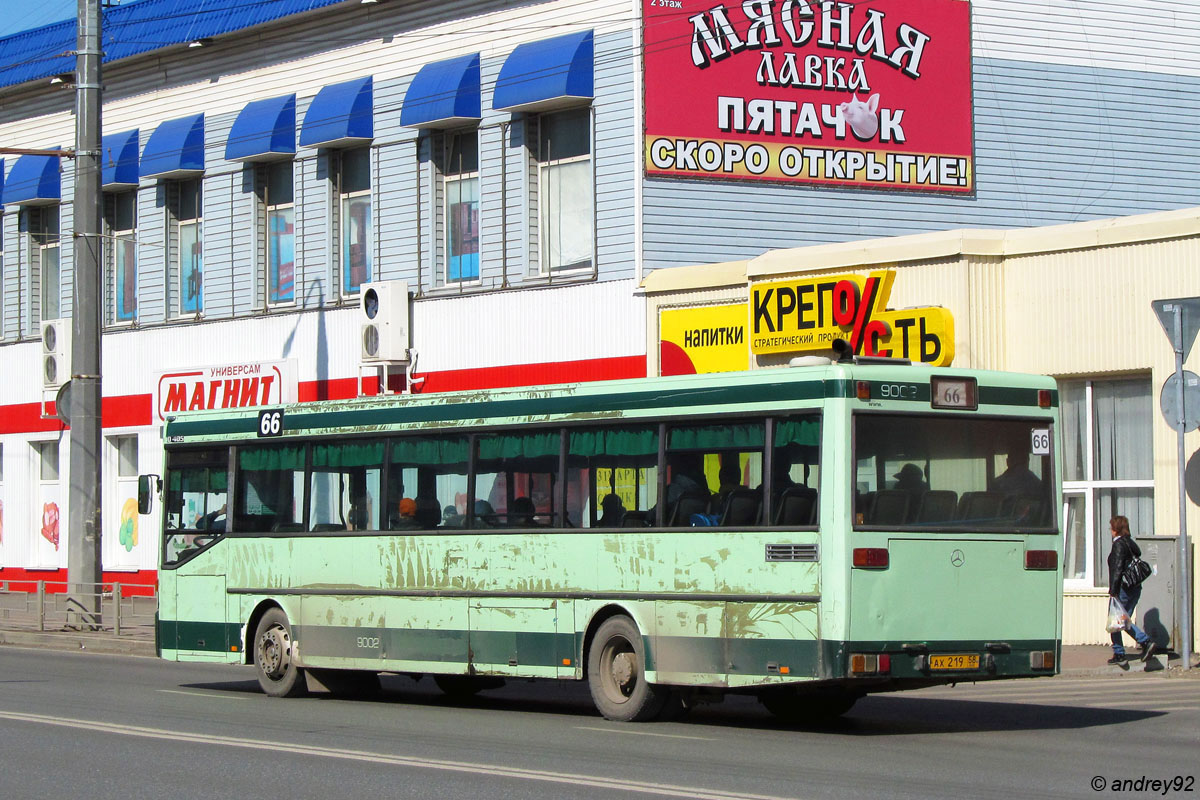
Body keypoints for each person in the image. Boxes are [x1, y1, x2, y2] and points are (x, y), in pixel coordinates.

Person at [1106, 515, 1158, 666]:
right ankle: (1121, 651)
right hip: (1135, 587)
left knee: (1118, 620)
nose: (1110, 531)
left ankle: (1138, 645)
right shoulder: (1130, 543)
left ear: (1115, 529)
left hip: (1122, 588)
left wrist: (1113, 591)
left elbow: (1117, 569)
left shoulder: (1118, 545)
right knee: (1122, 619)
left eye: (1111, 528)